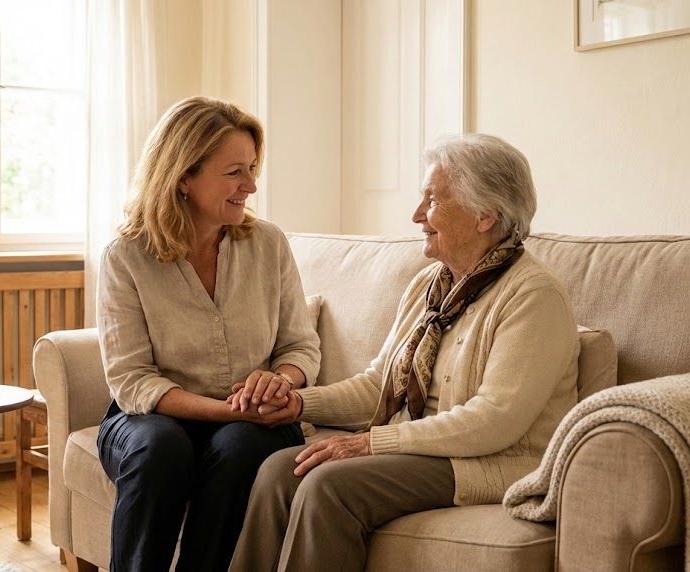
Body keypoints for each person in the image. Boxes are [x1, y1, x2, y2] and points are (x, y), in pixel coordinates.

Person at [229, 133, 580, 572]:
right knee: (280, 470)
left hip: (489, 460)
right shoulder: (429, 286)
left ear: (485, 215)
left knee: (328, 486)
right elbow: (380, 384)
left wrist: (373, 443)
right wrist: (299, 402)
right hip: (422, 449)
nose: (417, 215)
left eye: (432, 200)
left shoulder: (534, 296)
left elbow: (495, 420)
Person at [96, 96, 321, 572]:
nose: (251, 186)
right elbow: (133, 381)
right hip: (149, 419)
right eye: (235, 172)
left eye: (253, 169)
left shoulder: (269, 245)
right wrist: (225, 410)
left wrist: (281, 381)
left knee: (239, 447)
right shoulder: (126, 256)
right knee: (162, 448)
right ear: (183, 177)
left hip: (249, 423)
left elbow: (300, 345)